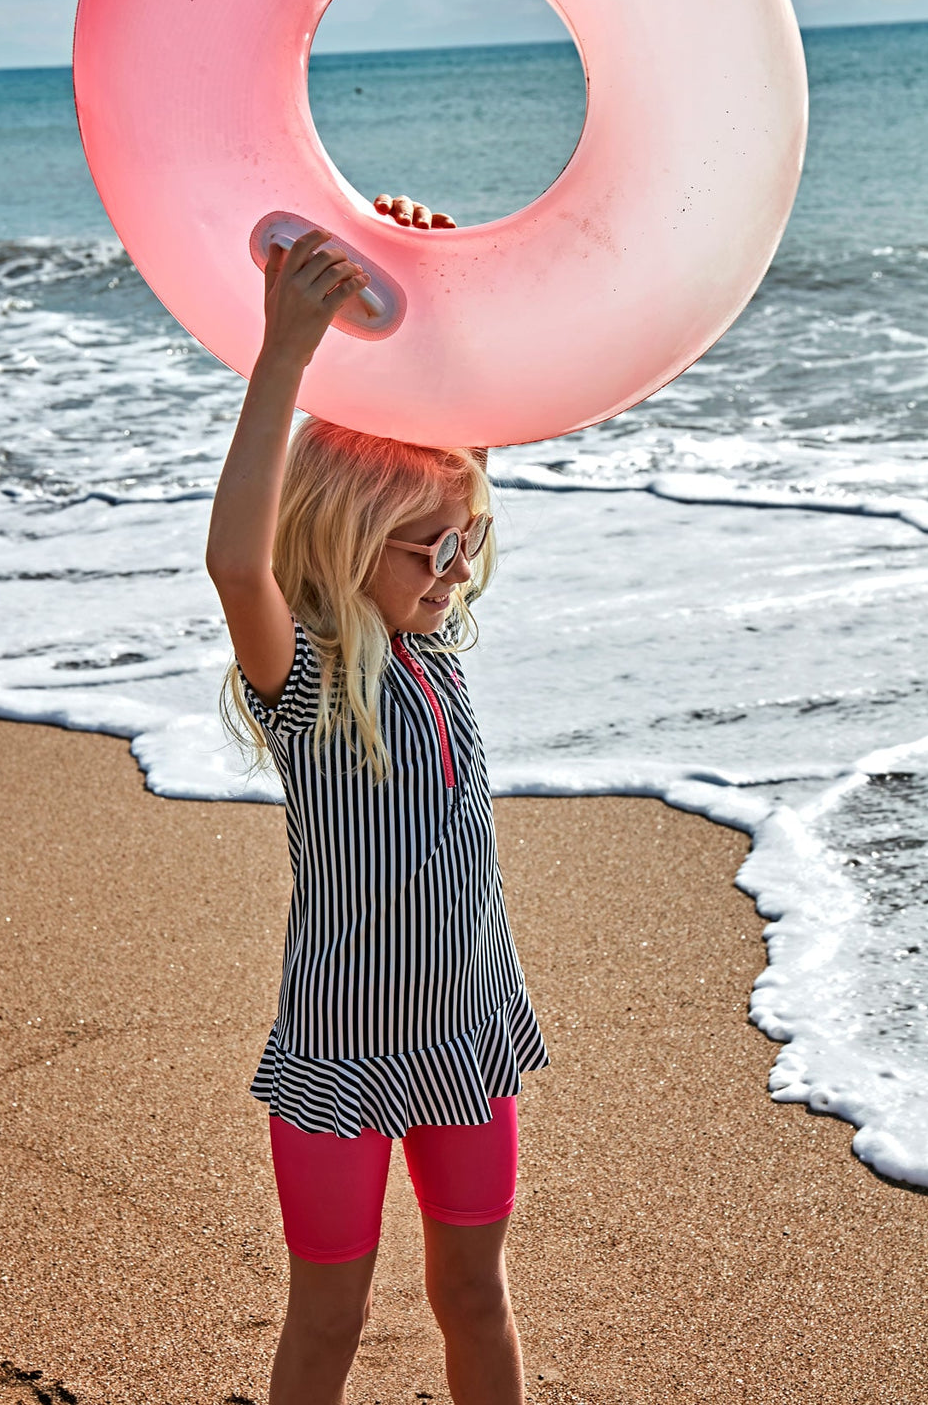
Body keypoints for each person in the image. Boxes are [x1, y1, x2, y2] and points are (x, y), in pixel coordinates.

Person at [205, 194, 549, 1405]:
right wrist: (286, 353)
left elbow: (463, 472)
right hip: (340, 1054)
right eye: (430, 552)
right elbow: (236, 560)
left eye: (465, 547)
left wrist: (428, 286)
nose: (456, 571)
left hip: (464, 1036)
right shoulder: (306, 677)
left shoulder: (436, 643)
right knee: (329, 1321)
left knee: (475, 1296)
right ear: (351, 539)